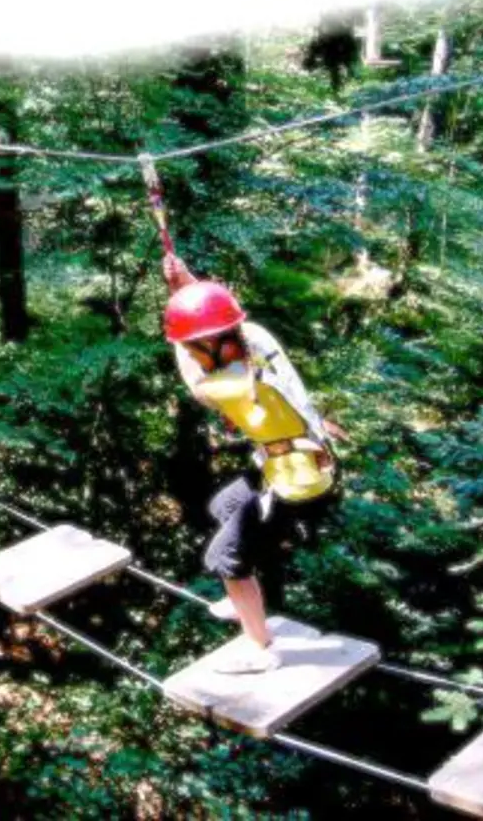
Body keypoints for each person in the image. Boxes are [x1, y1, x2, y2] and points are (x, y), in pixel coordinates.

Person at [162, 252, 348, 673]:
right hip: (296, 463)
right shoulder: (256, 339)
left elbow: (194, 381)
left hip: (297, 482)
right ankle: (243, 597)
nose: (191, 350)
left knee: (225, 557)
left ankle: (260, 648)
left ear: (217, 346)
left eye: (195, 346)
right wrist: (188, 287)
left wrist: (180, 318)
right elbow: (219, 318)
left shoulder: (233, 383)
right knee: (224, 505)